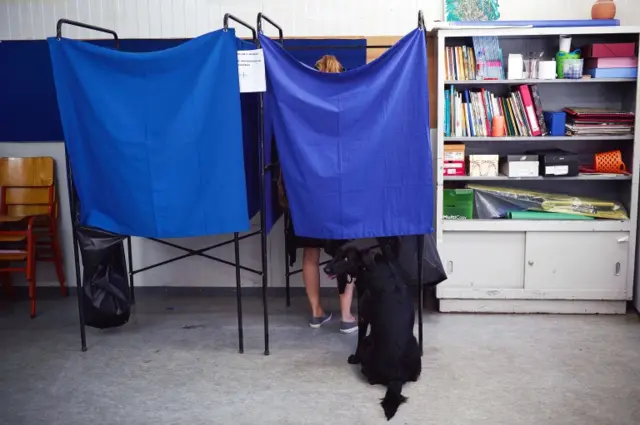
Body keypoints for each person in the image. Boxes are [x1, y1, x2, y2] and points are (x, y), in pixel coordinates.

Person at [278, 54, 356, 334]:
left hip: (306, 195)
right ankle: (347, 317)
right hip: (340, 194)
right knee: (346, 253)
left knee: (310, 254)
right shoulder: (347, 105)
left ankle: (316, 312)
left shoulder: (302, 105)